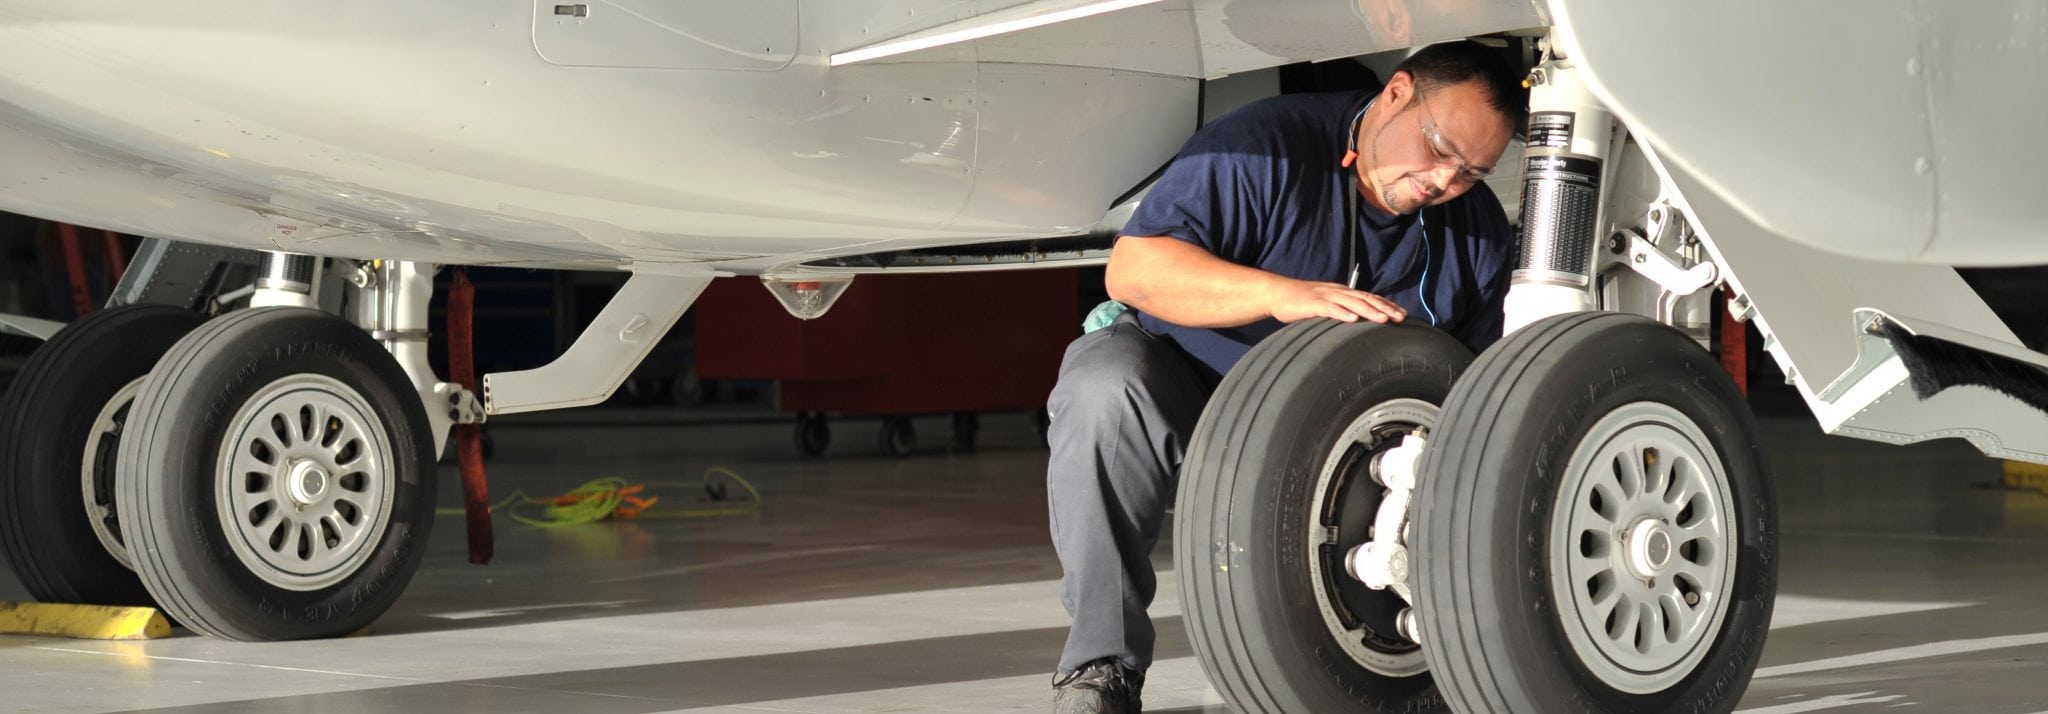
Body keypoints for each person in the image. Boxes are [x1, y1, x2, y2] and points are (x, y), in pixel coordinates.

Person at [1045, 40, 1526, 713]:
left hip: (1345, 443)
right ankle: (1101, 669)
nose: (1444, 182)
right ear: (1396, 93)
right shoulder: (1264, 148)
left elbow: (1475, 406)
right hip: (1195, 383)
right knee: (1103, 391)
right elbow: (1134, 269)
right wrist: (1282, 295)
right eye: (1438, 148)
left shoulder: (1473, 236)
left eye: (1472, 171)